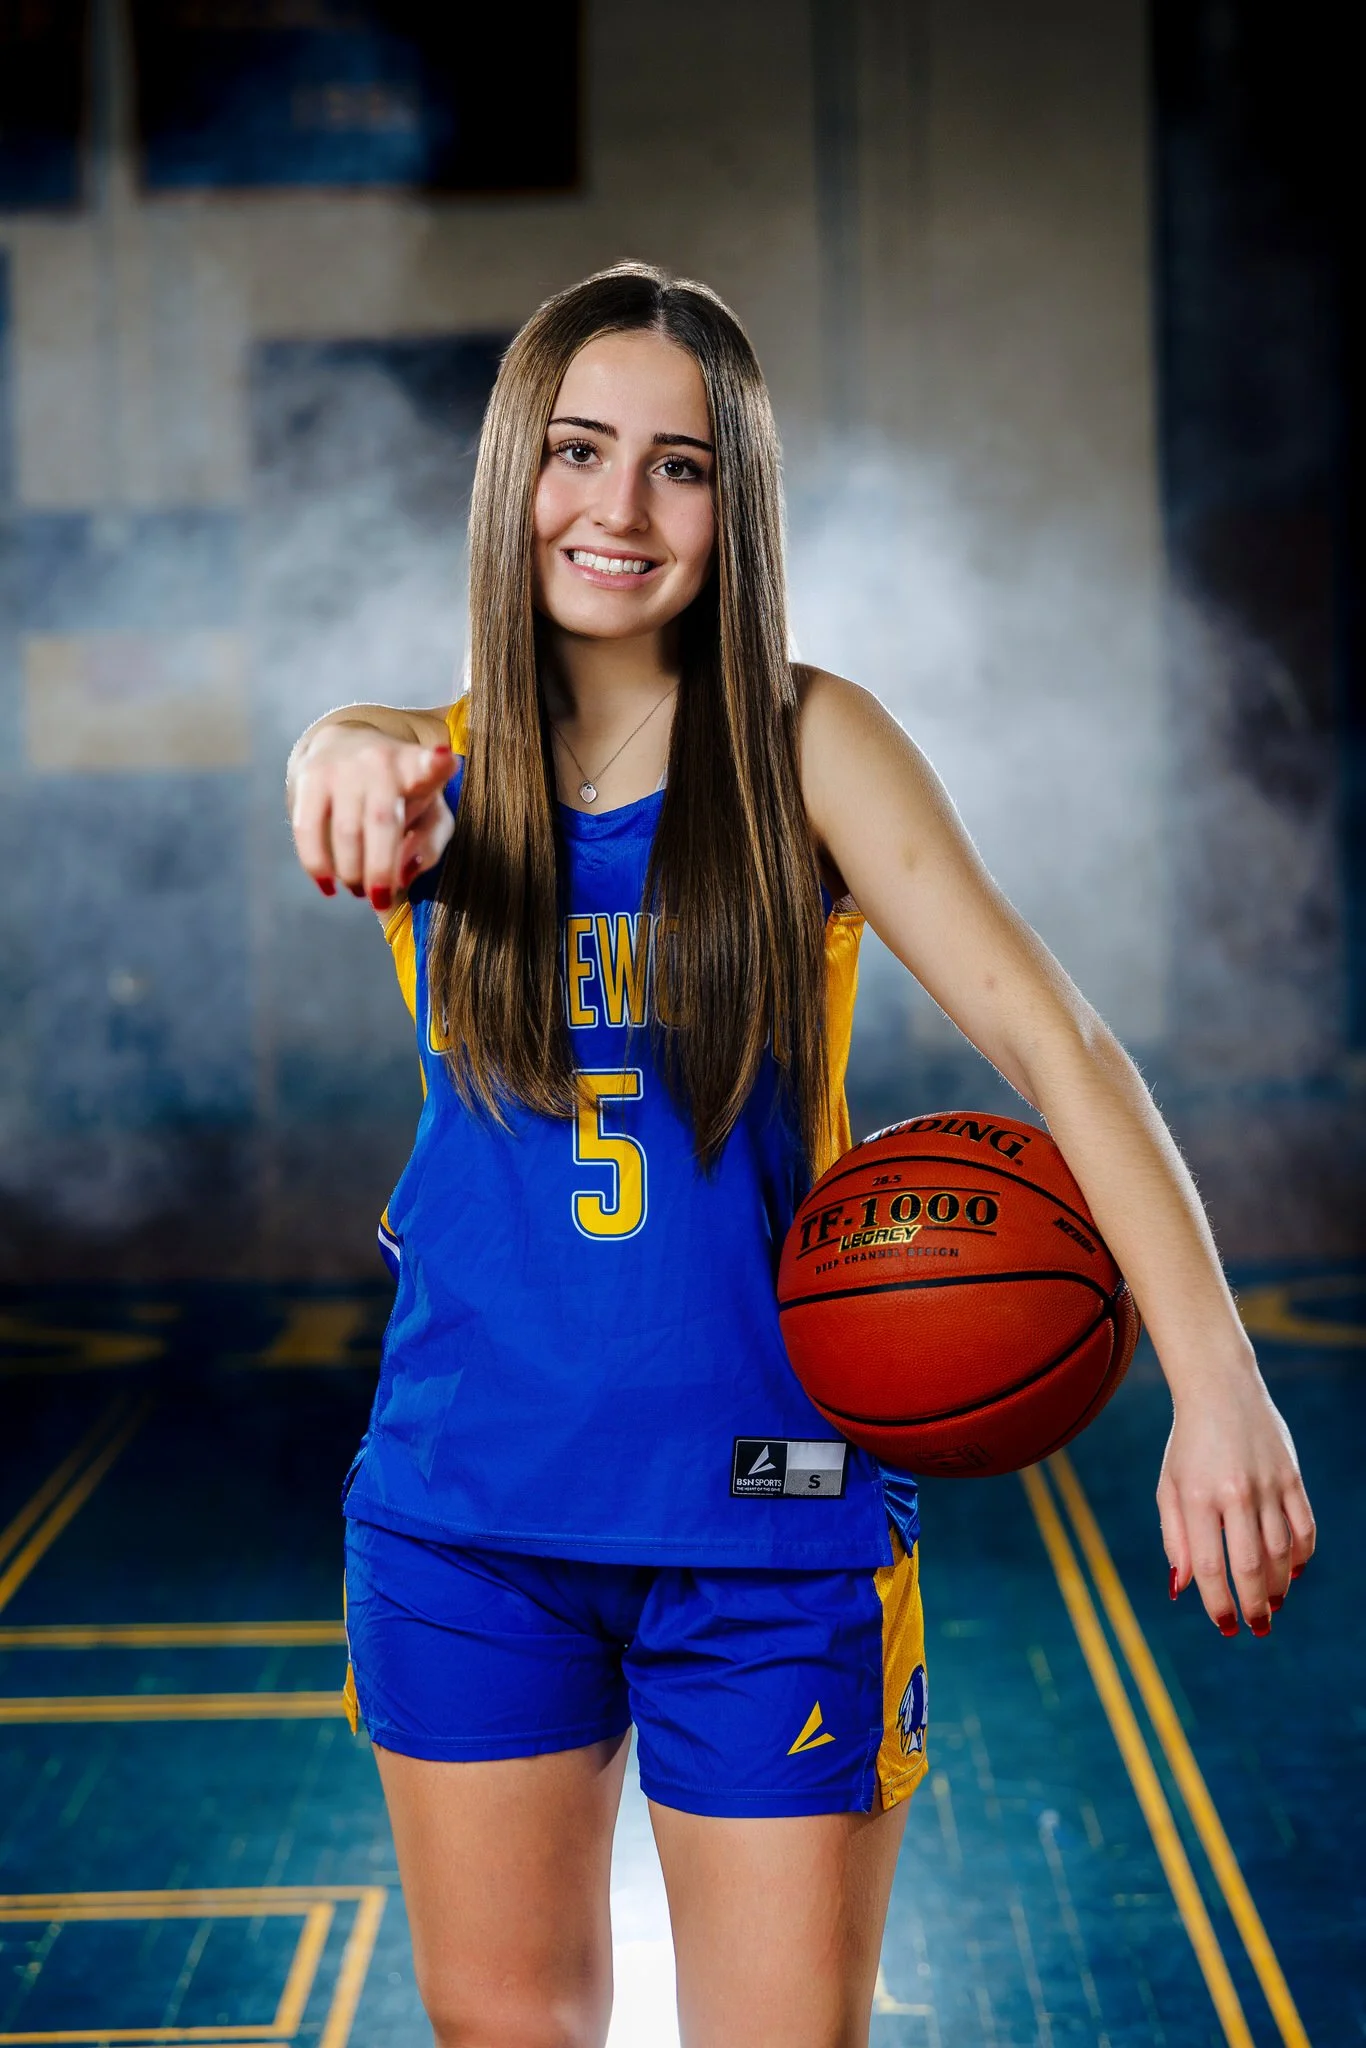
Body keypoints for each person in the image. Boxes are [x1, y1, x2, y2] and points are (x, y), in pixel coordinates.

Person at [286, 262, 1314, 2048]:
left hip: (767, 1518)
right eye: (579, 450)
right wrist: (333, 754)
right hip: (471, 1518)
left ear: (734, 503)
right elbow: (356, 755)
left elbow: (1053, 1042)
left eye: (679, 467)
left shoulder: (801, 745)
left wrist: (1213, 1378)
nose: (619, 507)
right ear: (510, 468)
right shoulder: (427, 771)